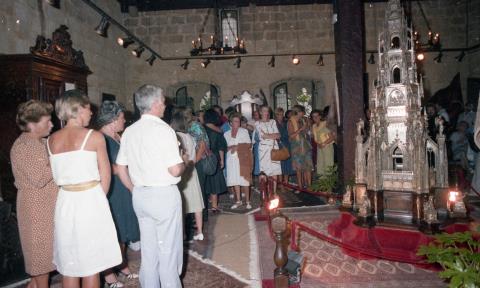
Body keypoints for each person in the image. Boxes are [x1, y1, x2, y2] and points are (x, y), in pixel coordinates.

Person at [47, 90, 122, 287]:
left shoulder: (51, 140)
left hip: (65, 202)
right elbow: (106, 176)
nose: (91, 113)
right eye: (88, 108)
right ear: (78, 109)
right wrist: (97, 201)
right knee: (92, 262)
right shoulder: (94, 136)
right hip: (90, 200)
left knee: (70, 262)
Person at [116, 85, 187, 288]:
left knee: (149, 252)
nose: (165, 104)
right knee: (169, 254)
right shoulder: (164, 130)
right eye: (163, 101)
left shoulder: (129, 131)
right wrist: (184, 162)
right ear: (155, 104)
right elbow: (174, 170)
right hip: (163, 195)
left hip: (140, 195)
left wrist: (133, 189)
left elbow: (121, 167)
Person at [10, 100, 57, 288]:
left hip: (47, 206)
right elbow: (40, 177)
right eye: (47, 121)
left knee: (43, 263)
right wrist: (60, 159)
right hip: (35, 209)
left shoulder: (42, 142)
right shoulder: (23, 146)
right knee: (40, 263)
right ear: (32, 124)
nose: (52, 125)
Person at [96, 101, 140, 287]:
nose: (124, 121)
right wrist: (123, 168)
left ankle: (120, 264)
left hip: (123, 187)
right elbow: (100, 168)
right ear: (113, 120)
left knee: (123, 230)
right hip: (113, 189)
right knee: (114, 232)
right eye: (122, 118)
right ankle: (108, 275)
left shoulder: (116, 136)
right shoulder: (100, 138)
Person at [170, 111, 205, 241]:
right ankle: (200, 232)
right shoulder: (189, 137)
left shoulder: (174, 136)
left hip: (181, 171)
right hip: (192, 170)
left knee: (182, 204)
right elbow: (194, 157)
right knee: (196, 202)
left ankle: (183, 234)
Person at [182, 107, 210, 222]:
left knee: (199, 190)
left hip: (199, 161)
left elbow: (202, 145)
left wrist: (194, 162)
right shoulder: (188, 126)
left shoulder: (195, 126)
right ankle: (196, 216)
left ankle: (202, 217)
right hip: (193, 161)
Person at [224, 113, 253, 209]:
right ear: (230, 123)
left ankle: (248, 201)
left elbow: (249, 144)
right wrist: (231, 147)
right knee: (235, 180)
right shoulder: (226, 134)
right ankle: (238, 200)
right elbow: (225, 147)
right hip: (231, 159)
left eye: (239, 121)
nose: (238, 123)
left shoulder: (244, 131)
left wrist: (237, 146)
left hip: (242, 158)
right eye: (236, 121)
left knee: (244, 180)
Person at [203, 109, 228, 212]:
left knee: (204, 182)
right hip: (214, 158)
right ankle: (214, 206)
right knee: (214, 183)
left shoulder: (201, 129)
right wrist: (222, 160)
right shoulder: (218, 131)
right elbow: (221, 147)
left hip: (202, 158)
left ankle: (203, 206)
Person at [255, 105, 282, 194]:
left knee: (275, 171)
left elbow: (278, 135)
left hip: (274, 148)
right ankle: (264, 193)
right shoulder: (257, 123)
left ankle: (273, 193)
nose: (266, 113)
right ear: (260, 112)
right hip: (264, 150)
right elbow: (262, 136)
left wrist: (268, 136)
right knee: (265, 172)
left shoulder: (272, 121)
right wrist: (272, 136)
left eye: (267, 111)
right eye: (264, 111)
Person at [288, 105, 313, 192]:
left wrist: (308, 126)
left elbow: (307, 133)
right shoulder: (290, 122)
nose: (303, 114)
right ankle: (300, 186)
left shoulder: (303, 120)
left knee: (308, 167)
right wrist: (300, 129)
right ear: (298, 112)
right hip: (296, 146)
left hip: (305, 145)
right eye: (302, 112)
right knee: (299, 168)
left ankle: (309, 186)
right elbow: (291, 136)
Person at [311, 109, 335, 177]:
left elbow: (332, 137)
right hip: (319, 147)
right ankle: (322, 185)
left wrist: (323, 144)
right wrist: (319, 144)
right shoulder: (314, 126)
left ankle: (329, 186)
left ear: (320, 116)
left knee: (328, 165)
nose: (315, 118)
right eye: (313, 116)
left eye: (316, 116)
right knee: (320, 165)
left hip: (327, 146)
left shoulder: (325, 124)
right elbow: (315, 138)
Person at [274, 107, 294, 184]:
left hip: (287, 145)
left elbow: (289, 133)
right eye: (279, 114)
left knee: (287, 165)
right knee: (280, 166)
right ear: (276, 115)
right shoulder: (273, 123)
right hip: (279, 145)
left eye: (282, 114)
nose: (281, 116)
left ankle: (286, 183)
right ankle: (281, 184)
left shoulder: (286, 123)